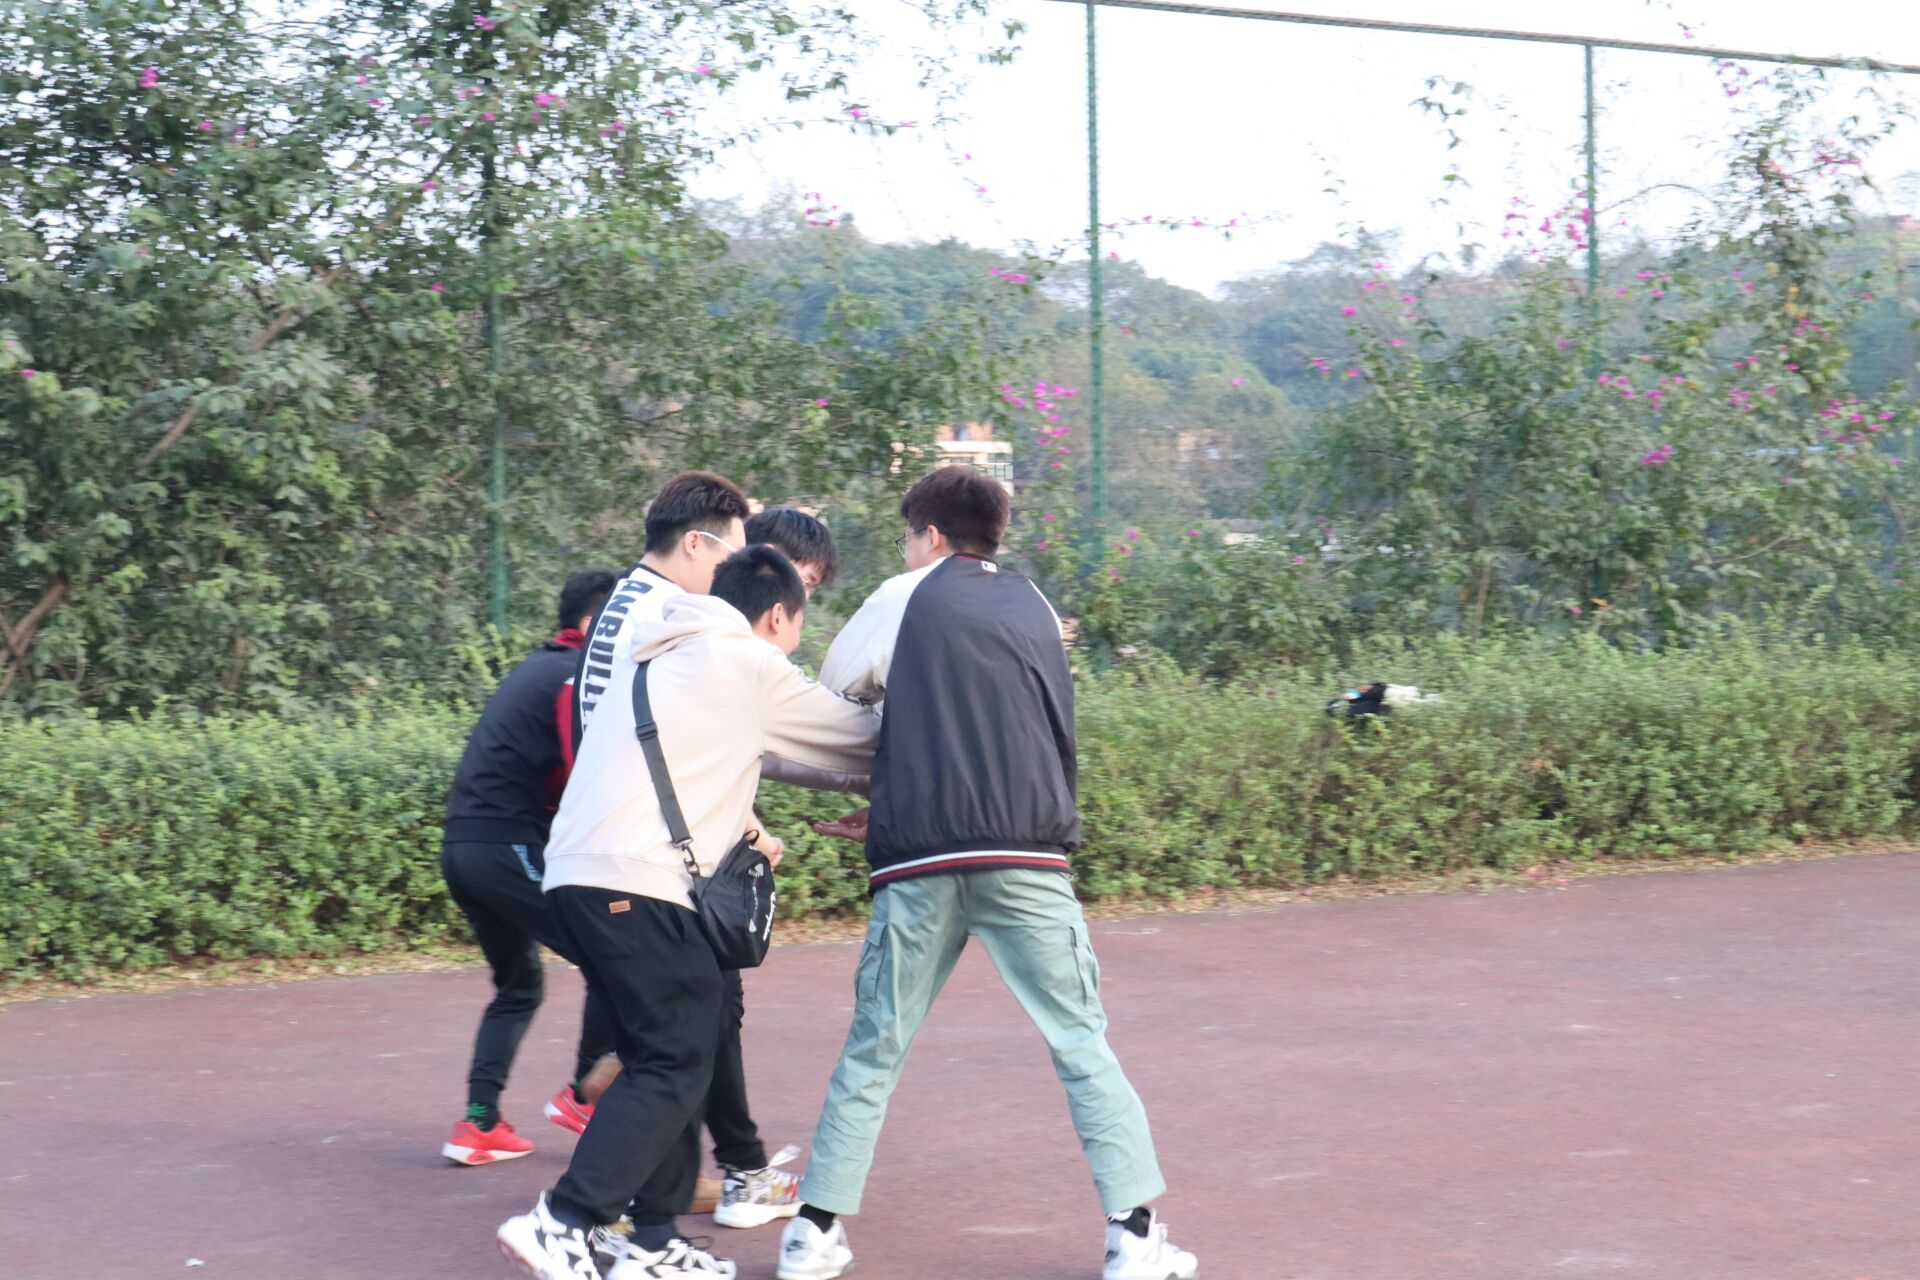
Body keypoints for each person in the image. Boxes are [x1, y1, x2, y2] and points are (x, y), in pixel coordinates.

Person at [775, 467, 1199, 1280]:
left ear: (931, 535)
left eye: (907, 536)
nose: (906, 549)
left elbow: (828, 707)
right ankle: (1134, 1236)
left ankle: (812, 1232)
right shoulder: (1035, 604)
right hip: (1026, 853)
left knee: (874, 1046)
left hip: (920, 857)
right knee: (1080, 1040)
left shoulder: (902, 596)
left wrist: (893, 787)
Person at [496, 545, 883, 1280]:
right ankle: (563, 1221)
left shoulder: (656, 659)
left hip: (577, 877)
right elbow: (860, 739)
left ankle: (651, 1241)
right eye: (799, 625)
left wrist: (858, 785)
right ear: (778, 615)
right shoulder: (746, 661)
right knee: (677, 1053)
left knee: (667, 1053)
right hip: (643, 883)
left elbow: (780, 756)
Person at [439, 568, 622, 1167]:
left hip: (464, 848)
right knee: (611, 955)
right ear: (593, 626)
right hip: (505, 845)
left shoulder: (538, 666)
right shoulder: (573, 674)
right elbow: (582, 772)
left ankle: (479, 1124)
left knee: (519, 985)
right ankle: (583, 1099)